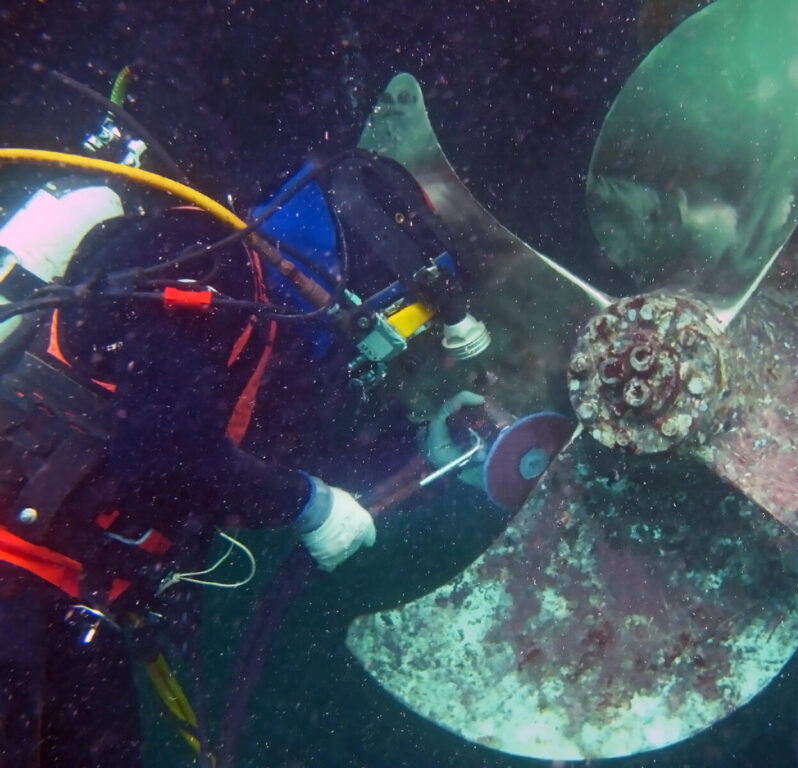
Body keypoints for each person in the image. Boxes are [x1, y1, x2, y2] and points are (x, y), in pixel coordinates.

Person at [0, 150, 492, 767]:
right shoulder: (207, 258)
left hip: (68, 602)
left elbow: (274, 457)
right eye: (398, 316)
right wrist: (307, 506)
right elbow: (164, 456)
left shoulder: (256, 326)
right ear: (348, 271)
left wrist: (422, 453)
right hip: (21, 586)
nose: (373, 348)